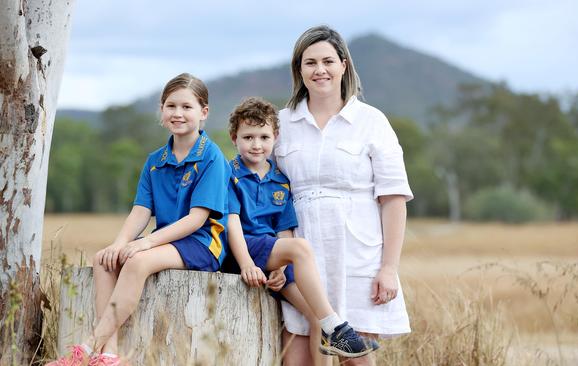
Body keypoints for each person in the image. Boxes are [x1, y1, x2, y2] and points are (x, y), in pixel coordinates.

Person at [47, 73, 231, 366]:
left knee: (136, 261)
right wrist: (120, 243)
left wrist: (144, 244)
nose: (178, 113)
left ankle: (87, 348)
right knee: (104, 259)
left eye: (187, 107)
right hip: (167, 241)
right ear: (161, 110)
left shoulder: (211, 156)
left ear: (203, 112)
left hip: (202, 243)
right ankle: (109, 354)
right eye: (171, 106)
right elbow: (141, 211)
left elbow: (197, 220)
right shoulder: (155, 160)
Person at [274, 25, 414, 366]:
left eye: (328, 61)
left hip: (357, 256)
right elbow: (267, 191)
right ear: (299, 70)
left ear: (343, 65)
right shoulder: (281, 123)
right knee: (295, 360)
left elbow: (393, 199)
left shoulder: (371, 121)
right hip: (302, 254)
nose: (320, 70)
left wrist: (388, 268)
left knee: (357, 359)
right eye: (310, 63)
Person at [223, 97, 379, 360]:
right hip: (241, 249)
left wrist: (281, 268)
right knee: (300, 247)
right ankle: (337, 328)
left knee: (316, 313)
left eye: (264, 137)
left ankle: (331, 328)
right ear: (234, 138)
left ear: (275, 136)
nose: (257, 145)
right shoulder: (228, 175)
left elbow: (284, 230)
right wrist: (248, 263)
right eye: (248, 137)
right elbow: (231, 223)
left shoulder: (280, 181)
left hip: (271, 255)